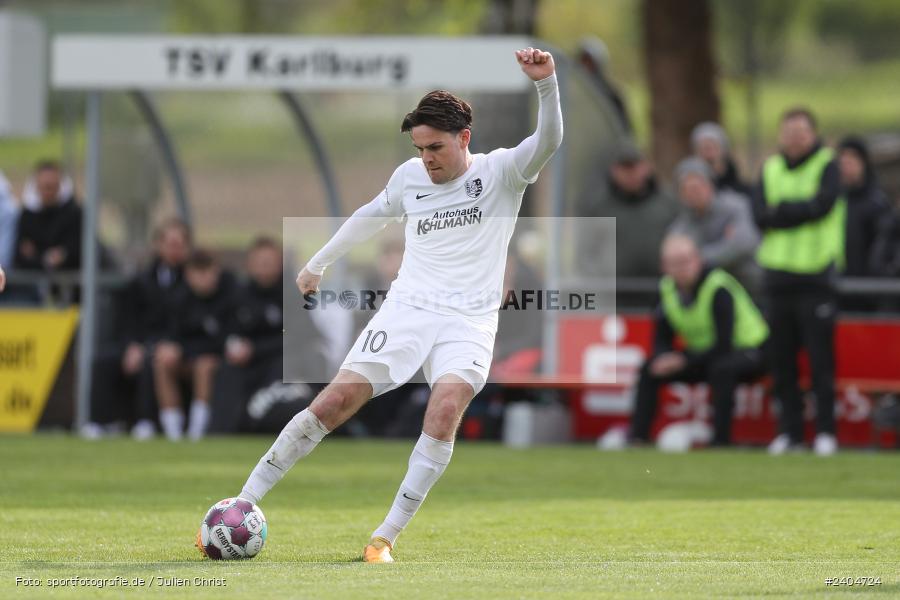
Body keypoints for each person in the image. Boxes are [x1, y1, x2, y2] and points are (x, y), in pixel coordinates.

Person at [223, 47, 562, 564]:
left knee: (445, 407)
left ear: (464, 139)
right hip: (407, 310)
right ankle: (241, 504)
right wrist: (318, 262)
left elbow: (550, 140)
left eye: (436, 147)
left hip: (469, 320)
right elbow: (369, 214)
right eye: (420, 147)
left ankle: (384, 538)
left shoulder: (502, 173)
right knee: (332, 404)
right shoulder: (410, 177)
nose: (427, 158)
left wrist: (546, 85)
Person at [752, 108, 843, 456]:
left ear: (813, 134)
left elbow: (822, 206)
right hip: (777, 279)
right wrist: (794, 211)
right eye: (788, 130)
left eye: (801, 131)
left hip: (815, 277)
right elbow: (759, 214)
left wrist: (783, 212)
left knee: (821, 363)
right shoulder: (770, 167)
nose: (794, 137)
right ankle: (790, 433)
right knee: (782, 363)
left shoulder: (826, 164)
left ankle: (825, 433)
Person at [628, 235, 769, 447]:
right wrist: (663, 358)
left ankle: (721, 441)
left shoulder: (718, 288)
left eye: (686, 261)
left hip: (752, 352)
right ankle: (638, 438)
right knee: (649, 368)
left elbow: (724, 345)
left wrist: (683, 360)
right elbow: (661, 338)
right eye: (675, 263)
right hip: (703, 357)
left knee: (722, 369)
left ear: (698, 260)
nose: (682, 268)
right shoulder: (666, 290)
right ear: (664, 267)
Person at [82, 219, 192, 440]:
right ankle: (99, 422)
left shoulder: (192, 281)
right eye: (169, 243)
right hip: (140, 343)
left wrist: (155, 346)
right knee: (103, 360)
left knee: (152, 361)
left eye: (179, 244)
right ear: (158, 245)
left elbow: (187, 323)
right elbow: (127, 320)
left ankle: (146, 422)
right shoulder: (141, 281)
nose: (174, 250)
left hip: (174, 347)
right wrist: (131, 346)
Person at [209, 237, 325, 433]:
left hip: (284, 360)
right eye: (259, 262)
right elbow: (226, 332)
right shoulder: (239, 295)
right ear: (249, 265)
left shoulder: (292, 293)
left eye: (269, 262)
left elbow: (300, 336)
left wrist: (255, 349)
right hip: (249, 365)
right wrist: (234, 347)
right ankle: (221, 431)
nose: (264, 267)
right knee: (226, 373)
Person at [154, 249, 237, 441]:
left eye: (207, 272)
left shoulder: (230, 294)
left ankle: (196, 431)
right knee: (162, 364)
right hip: (188, 358)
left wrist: (183, 349)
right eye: (197, 273)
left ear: (216, 271)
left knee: (204, 366)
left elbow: (224, 340)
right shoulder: (178, 298)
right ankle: (172, 433)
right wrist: (170, 348)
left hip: (219, 361)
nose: (203, 279)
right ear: (188, 275)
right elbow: (172, 335)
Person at [576, 142, 677, 280]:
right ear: (613, 170)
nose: (631, 173)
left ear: (646, 167)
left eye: (635, 166)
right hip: (614, 292)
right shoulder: (597, 207)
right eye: (624, 167)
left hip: (662, 289)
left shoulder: (668, 203)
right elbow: (585, 253)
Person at [667, 157, 760, 291]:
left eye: (697, 187)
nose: (694, 194)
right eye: (687, 189)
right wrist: (724, 244)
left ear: (710, 185)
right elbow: (673, 254)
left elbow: (743, 245)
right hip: (705, 291)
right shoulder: (681, 224)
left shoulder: (736, 206)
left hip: (746, 285)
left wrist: (695, 257)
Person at [14, 160, 82, 273]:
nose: (48, 192)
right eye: (45, 186)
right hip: (32, 284)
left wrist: (61, 255)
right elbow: (21, 255)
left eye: (52, 186)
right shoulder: (27, 215)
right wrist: (48, 259)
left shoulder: (74, 213)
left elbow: (76, 250)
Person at [837, 137, 889, 279]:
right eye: (843, 162)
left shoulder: (877, 203)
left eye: (852, 161)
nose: (846, 167)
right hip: (834, 284)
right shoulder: (831, 202)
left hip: (866, 286)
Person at [690, 122, 752, 198]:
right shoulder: (690, 194)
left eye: (712, 147)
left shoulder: (742, 192)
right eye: (703, 149)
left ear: (723, 150)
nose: (708, 154)